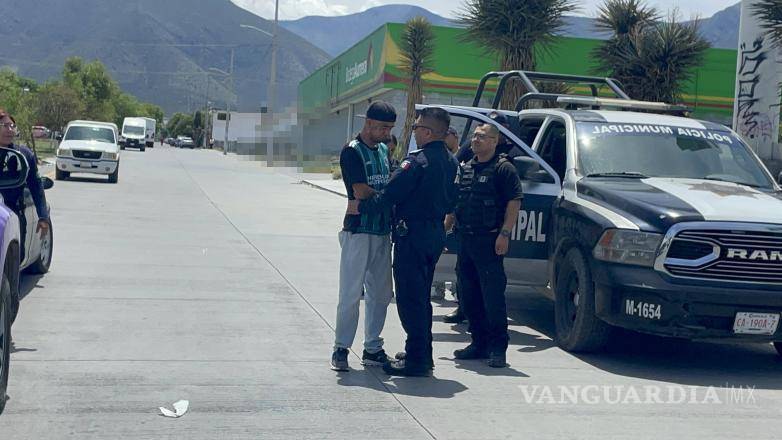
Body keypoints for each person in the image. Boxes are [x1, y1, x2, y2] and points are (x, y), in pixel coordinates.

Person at [349, 107, 459, 377]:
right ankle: (420, 351)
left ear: (428, 132)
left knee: (411, 299)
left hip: (413, 236)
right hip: (433, 233)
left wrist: (359, 208)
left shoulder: (417, 162)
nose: (414, 132)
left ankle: (417, 360)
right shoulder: (451, 161)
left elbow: (389, 194)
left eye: (417, 128)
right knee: (421, 297)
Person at [445, 122, 523, 368]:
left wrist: (505, 234)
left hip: (490, 241)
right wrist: (447, 225)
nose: (475, 140)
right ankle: (478, 343)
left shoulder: (504, 169)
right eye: (474, 136)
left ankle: (498, 348)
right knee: (469, 296)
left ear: (494, 141)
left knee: (493, 298)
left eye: (481, 136)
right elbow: (457, 202)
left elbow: (514, 203)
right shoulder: (466, 167)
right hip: (466, 240)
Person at [331, 101, 397, 372]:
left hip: (382, 231)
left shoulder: (383, 149)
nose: (386, 133)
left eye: (390, 128)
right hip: (358, 231)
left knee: (381, 294)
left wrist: (385, 196)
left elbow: (387, 182)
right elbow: (359, 191)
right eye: (383, 127)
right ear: (368, 123)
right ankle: (341, 347)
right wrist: (391, 196)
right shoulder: (351, 151)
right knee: (350, 292)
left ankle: (372, 348)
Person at [0, 109, 50, 262]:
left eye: (12, 126)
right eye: (4, 125)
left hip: (13, 213)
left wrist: (43, 217)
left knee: (15, 259)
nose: (10, 130)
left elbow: (36, 186)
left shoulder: (24, 155)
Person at [455, 111, 523, 163]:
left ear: (506, 128)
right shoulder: (473, 144)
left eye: (496, 127)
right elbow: (455, 164)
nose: (491, 130)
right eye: (488, 126)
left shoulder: (513, 150)